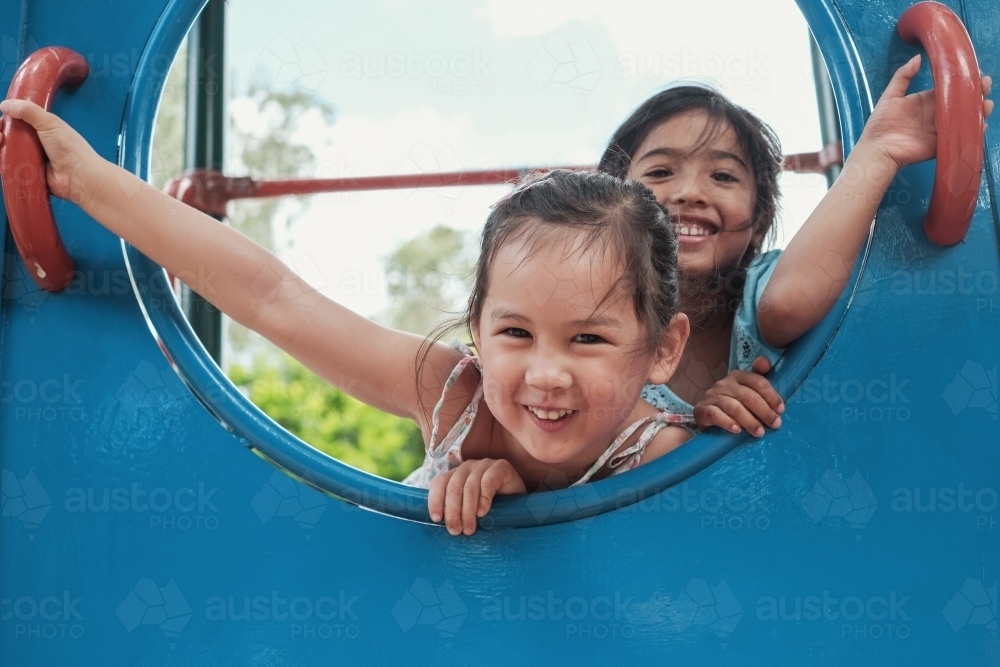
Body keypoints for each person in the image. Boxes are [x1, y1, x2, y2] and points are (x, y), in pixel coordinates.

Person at [0, 101, 694, 536]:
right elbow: (276, 296)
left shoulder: (662, 451)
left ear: (662, 351)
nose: (546, 372)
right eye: (516, 332)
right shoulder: (453, 389)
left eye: (589, 338)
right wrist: (88, 179)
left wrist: (519, 511)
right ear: (477, 331)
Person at [599, 55, 992, 437]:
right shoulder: (586, 317)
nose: (689, 192)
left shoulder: (761, 292)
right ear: (610, 204)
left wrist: (878, 153)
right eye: (660, 172)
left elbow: (786, 305)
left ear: (759, 223)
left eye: (722, 176)